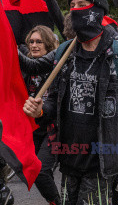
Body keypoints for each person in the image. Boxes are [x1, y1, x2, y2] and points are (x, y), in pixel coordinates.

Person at [22, 0, 118, 204]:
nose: (75, 10)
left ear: (98, 11)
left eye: (82, 5)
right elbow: (55, 102)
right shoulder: (65, 53)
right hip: (69, 161)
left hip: (103, 163)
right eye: (72, 6)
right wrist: (40, 111)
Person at [23, 25, 61, 205]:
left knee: (41, 170)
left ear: (47, 44)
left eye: (39, 41)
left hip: (53, 128)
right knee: (31, 169)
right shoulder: (24, 69)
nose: (34, 45)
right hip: (32, 128)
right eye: (31, 41)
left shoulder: (57, 67)